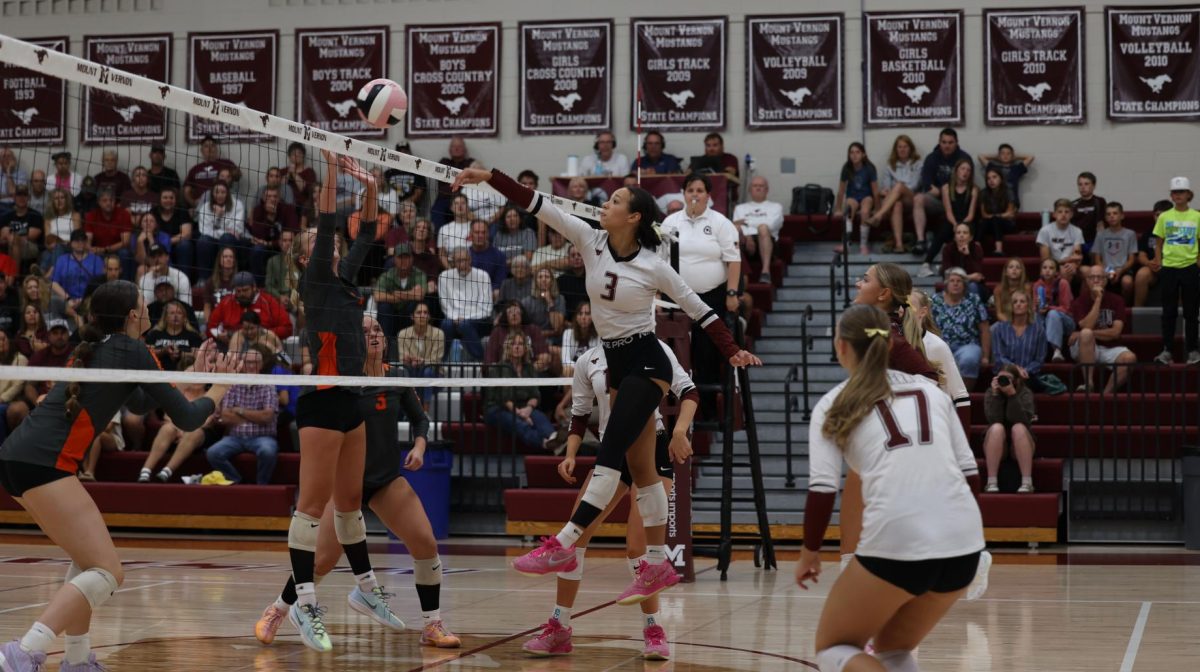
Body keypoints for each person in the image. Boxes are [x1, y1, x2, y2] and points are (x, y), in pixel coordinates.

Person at [451, 163, 757, 605]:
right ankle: (656, 564)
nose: (604, 205)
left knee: (610, 450)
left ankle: (564, 542)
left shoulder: (654, 266)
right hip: (615, 362)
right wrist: (490, 177)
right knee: (643, 471)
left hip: (648, 361)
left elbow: (700, 311)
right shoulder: (589, 240)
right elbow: (535, 203)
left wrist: (731, 350)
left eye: (614, 202)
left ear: (633, 217)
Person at [0, 281, 238, 672]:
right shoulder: (131, 349)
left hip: (20, 457)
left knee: (87, 561)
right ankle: (24, 652)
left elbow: (142, 401)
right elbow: (190, 418)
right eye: (145, 305)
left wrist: (190, 373)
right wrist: (222, 386)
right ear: (133, 315)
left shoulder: (108, 347)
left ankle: (76, 660)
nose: (149, 311)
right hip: (42, 461)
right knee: (109, 572)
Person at [795, 304, 983, 672]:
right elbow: (970, 475)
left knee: (834, 647)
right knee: (893, 649)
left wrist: (809, 553)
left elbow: (822, 490)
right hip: (965, 543)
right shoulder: (932, 393)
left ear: (842, 347)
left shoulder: (833, 404)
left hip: (899, 539)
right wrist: (965, 535)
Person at [255, 314, 460, 649]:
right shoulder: (342, 384)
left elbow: (420, 418)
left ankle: (432, 625)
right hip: (343, 483)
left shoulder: (397, 378)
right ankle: (277, 610)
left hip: (384, 480)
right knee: (321, 560)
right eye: (364, 332)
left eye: (377, 329)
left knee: (426, 544)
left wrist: (420, 446)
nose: (374, 335)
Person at [283, 151, 393, 653]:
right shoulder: (317, 281)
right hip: (324, 403)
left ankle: (367, 591)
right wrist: (331, 170)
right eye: (315, 244)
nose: (326, 243)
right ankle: (304, 605)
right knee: (311, 510)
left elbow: (367, 234)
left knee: (350, 508)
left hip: (352, 400)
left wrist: (369, 186)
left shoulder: (346, 279)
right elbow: (329, 221)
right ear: (305, 259)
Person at [527, 341, 697, 660]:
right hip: (612, 453)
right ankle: (559, 627)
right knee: (575, 539)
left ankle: (653, 630)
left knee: (637, 547)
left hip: (652, 449)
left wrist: (680, 431)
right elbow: (578, 416)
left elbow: (690, 392)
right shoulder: (587, 360)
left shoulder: (654, 348)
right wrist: (571, 454)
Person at [660, 173, 741, 419]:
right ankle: (672, 410)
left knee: (706, 352)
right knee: (675, 352)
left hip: (712, 297)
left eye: (700, 190)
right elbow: (658, 262)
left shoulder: (720, 222)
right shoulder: (670, 222)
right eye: (690, 190)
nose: (695, 194)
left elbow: (733, 260)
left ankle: (703, 412)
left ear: (708, 195)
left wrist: (732, 293)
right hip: (676, 297)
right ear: (683, 194)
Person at [205, 344, 279, 486]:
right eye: (247, 362)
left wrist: (239, 411)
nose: (251, 366)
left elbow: (267, 417)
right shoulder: (233, 384)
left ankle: (261, 486)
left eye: (255, 362)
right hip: (235, 437)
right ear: (242, 364)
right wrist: (256, 416)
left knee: (268, 451)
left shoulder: (268, 385)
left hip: (262, 436)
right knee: (213, 453)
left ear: (261, 364)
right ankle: (236, 481)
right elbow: (226, 416)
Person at [1151, 177, 1200, 365]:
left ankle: (1193, 350)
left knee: (1191, 311)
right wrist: (1159, 260)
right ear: (1171, 195)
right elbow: (1159, 241)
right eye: (1175, 192)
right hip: (1169, 268)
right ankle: (1167, 350)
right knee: (1169, 311)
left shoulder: (1197, 216)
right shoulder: (1164, 217)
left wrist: (1197, 262)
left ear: (1189, 194)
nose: (1178, 195)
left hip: (1189, 268)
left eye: (1182, 192)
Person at [138, 353, 208, 483]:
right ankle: (145, 471)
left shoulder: (209, 395)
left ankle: (166, 472)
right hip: (176, 432)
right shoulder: (179, 391)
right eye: (195, 376)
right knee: (167, 428)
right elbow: (168, 415)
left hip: (199, 436)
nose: (197, 380)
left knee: (195, 432)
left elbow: (207, 421)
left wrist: (186, 430)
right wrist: (181, 429)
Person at [483, 332, 558, 451]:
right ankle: (544, 443)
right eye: (513, 344)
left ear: (525, 348)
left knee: (539, 416)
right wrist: (520, 414)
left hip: (523, 406)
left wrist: (528, 409)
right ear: (508, 347)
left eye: (521, 344)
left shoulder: (529, 368)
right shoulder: (500, 368)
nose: (517, 347)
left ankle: (554, 438)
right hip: (498, 408)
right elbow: (503, 398)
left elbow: (535, 394)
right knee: (519, 424)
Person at [1070, 267, 1136, 393]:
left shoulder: (1117, 300)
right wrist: (1098, 300)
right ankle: (1088, 383)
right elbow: (1086, 326)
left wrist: (1087, 333)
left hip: (1110, 347)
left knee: (1130, 358)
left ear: (1106, 280)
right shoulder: (1079, 302)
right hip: (1086, 347)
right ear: (1086, 281)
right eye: (1091, 277)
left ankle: (1106, 394)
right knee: (1086, 334)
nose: (1096, 281)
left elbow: (1115, 333)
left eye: (1100, 277)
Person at [913, 128, 972, 257]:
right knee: (918, 198)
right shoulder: (932, 158)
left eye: (950, 142)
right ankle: (920, 241)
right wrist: (942, 192)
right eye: (944, 142)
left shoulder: (964, 158)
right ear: (939, 142)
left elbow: (967, 183)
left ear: (956, 143)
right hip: (938, 201)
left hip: (957, 201)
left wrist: (942, 191)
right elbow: (927, 183)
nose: (947, 145)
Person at [933, 267, 991, 390]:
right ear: (946, 284)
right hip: (941, 345)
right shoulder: (935, 300)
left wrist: (986, 356)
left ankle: (962, 397)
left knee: (970, 358)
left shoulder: (973, 300)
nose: (955, 283)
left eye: (959, 281)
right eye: (952, 280)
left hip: (968, 345)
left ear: (965, 285)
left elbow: (985, 328)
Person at [983, 363, 1037, 494]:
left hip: (1020, 442)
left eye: (1008, 378)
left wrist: (1012, 396)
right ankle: (991, 482)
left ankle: (1027, 482)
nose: (1004, 382)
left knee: (1018, 427)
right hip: (997, 443)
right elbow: (993, 419)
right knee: (997, 428)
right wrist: (996, 396)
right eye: (1001, 378)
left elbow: (1023, 420)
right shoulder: (992, 392)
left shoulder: (1025, 393)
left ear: (1017, 380)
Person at [920, 159, 978, 278]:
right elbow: (948, 211)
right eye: (963, 169)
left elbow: (971, 214)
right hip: (951, 220)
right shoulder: (946, 188)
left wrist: (962, 226)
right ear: (956, 171)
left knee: (964, 233)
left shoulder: (973, 189)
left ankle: (952, 265)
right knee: (944, 231)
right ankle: (926, 263)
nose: (965, 172)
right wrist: (955, 224)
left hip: (967, 221)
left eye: (968, 170)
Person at [438, 247, 493, 361]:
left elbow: (486, 308)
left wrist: (464, 319)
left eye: (465, 260)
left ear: (470, 260)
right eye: (459, 261)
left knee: (464, 325)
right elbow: (445, 305)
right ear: (453, 262)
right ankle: (441, 363)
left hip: (479, 320)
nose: (462, 264)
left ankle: (482, 362)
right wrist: (455, 318)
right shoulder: (444, 277)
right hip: (453, 319)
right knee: (446, 324)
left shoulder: (483, 276)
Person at [206, 271, 291, 344]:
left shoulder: (268, 301)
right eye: (238, 291)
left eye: (245, 290)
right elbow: (211, 327)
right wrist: (219, 335)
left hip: (262, 345)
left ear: (254, 287)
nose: (242, 294)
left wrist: (263, 333)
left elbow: (287, 328)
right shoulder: (226, 302)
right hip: (230, 345)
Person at [870, 135, 922, 254]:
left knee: (899, 186)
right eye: (899, 147)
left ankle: (878, 215)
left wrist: (898, 189)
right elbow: (885, 188)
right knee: (897, 204)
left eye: (905, 147)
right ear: (896, 149)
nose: (902, 149)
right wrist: (889, 191)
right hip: (894, 201)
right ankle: (899, 244)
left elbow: (914, 185)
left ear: (910, 149)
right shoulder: (890, 166)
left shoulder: (918, 164)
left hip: (911, 200)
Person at [374, 243, 426, 349]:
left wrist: (397, 293)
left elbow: (420, 295)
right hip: (391, 318)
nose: (403, 260)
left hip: (409, 317)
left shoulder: (419, 274)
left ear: (412, 259)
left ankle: (411, 349)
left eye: (406, 257)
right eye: (400, 257)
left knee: (415, 305)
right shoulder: (387, 275)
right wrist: (409, 294)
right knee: (384, 306)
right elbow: (377, 296)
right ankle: (384, 351)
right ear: (394, 259)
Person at [733, 176, 784, 283]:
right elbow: (736, 226)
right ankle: (734, 275)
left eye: (761, 186)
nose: (758, 188)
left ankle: (765, 272)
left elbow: (771, 225)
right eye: (755, 186)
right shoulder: (740, 208)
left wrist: (746, 221)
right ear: (750, 189)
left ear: (767, 189)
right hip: (745, 241)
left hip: (768, 242)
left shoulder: (776, 207)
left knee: (763, 228)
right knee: (735, 228)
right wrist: (748, 237)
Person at [990, 289, 1046, 386]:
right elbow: (999, 357)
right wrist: (1015, 369)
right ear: (1011, 306)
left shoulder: (1038, 330)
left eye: (1022, 301)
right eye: (1015, 302)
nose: (1018, 304)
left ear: (1028, 305)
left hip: (1028, 375)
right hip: (1005, 374)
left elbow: (1039, 360)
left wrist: (1025, 371)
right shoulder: (999, 328)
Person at [248, 185, 299, 284]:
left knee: (290, 245)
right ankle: (259, 285)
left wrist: (271, 243)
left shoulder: (288, 209)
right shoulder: (258, 210)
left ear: (279, 198)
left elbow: (292, 233)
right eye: (268, 196)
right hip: (265, 246)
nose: (272, 199)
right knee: (257, 250)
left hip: (283, 245)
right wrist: (269, 219)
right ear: (263, 198)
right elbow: (257, 234)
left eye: (275, 196)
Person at [195, 180, 247, 275]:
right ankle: (204, 278)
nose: (220, 195)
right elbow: (204, 231)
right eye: (217, 192)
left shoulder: (238, 205)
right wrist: (218, 216)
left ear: (228, 193)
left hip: (232, 240)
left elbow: (237, 230)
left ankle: (228, 277)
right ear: (212, 194)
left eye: (223, 192)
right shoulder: (205, 208)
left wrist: (218, 230)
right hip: (212, 239)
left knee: (226, 238)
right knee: (203, 240)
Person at [835, 142, 878, 256]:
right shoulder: (846, 168)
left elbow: (875, 191)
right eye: (852, 152)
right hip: (852, 197)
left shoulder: (869, 168)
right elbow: (841, 191)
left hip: (866, 197)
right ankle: (846, 244)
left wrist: (877, 209)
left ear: (863, 154)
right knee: (848, 209)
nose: (854, 155)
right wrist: (838, 208)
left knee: (865, 211)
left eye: (858, 152)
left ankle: (863, 245)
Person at [486, 300, 552, 372]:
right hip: (504, 375)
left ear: (522, 314)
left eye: (517, 311)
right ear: (505, 315)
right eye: (510, 312)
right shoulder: (497, 332)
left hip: (531, 375)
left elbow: (545, 357)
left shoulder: (533, 330)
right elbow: (490, 362)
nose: (514, 314)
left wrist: (528, 372)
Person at [397, 302, 443, 403]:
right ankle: (410, 411)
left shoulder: (438, 334)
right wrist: (408, 360)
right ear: (412, 316)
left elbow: (435, 360)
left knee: (427, 371)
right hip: (412, 372)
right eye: (419, 312)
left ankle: (424, 412)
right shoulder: (403, 334)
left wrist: (421, 361)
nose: (422, 315)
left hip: (434, 378)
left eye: (425, 312)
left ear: (429, 316)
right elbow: (402, 358)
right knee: (405, 372)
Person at [1092, 202, 1138, 305]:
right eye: (1108, 214)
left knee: (1127, 282)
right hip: (1105, 269)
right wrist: (1109, 271)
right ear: (1105, 218)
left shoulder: (1130, 234)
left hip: (1124, 269)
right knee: (1093, 281)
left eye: (1115, 213)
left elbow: (1131, 259)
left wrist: (1120, 271)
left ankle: (1124, 306)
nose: (1111, 216)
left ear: (1122, 216)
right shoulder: (1101, 234)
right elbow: (1097, 259)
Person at [1032, 257, 1075, 362]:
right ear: (1041, 271)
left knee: (1052, 314)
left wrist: (1048, 308)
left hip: (1066, 321)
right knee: (1035, 316)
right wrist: (1038, 308)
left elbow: (1066, 308)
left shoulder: (1063, 283)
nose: (1047, 270)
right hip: (1046, 318)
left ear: (1056, 272)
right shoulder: (1037, 285)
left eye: (1051, 268)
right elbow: (1034, 307)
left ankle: (1057, 350)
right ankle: (1037, 352)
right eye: (1045, 268)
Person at [144, 297, 203, 370]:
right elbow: (146, 354)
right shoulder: (154, 334)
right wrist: (164, 351)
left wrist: (181, 353)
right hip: (158, 373)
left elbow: (199, 355)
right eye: (172, 313)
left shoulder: (193, 335)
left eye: (179, 313)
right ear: (165, 317)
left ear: (184, 317)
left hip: (186, 374)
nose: (176, 316)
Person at [1036, 199, 1085, 286]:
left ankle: (1084, 299)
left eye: (1067, 212)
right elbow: (1046, 260)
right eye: (1060, 212)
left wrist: (1074, 265)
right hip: (1053, 266)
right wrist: (1065, 261)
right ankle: (1064, 299)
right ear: (1054, 214)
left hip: (1071, 264)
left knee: (1089, 272)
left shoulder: (1077, 231)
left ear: (1071, 215)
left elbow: (1077, 255)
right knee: (1065, 271)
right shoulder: (1045, 231)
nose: (1063, 215)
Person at [1135, 199, 1173, 308]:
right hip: (1153, 268)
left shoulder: (1178, 232)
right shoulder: (1148, 233)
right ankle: (1138, 312)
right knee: (1142, 274)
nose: (1160, 218)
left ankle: (1180, 314)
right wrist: (1149, 263)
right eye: (1157, 215)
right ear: (1153, 216)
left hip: (1172, 267)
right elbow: (1141, 255)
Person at [184, 135, 240, 207]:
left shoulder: (226, 163)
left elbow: (238, 176)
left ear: (216, 148)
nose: (210, 149)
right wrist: (193, 203)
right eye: (206, 146)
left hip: (224, 202)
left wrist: (229, 175)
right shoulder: (195, 169)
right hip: (203, 205)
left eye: (212, 146)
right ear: (201, 150)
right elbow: (186, 191)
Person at [431, 136, 474, 227]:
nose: (457, 148)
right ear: (450, 150)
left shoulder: (470, 163)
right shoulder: (444, 162)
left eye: (460, 146)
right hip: (444, 200)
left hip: (464, 200)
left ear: (465, 150)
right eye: (454, 146)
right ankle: (439, 238)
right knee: (436, 211)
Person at [51, 230, 104, 303]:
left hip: (90, 301)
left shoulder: (96, 260)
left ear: (86, 242)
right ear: (71, 243)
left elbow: (100, 283)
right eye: (77, 240)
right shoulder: (62, 260)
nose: (80, 243)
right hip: (66, 301)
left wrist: (85, 300)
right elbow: (54, 283)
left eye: (83, 241)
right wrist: (68, 299)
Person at [937, 223, 986, 301]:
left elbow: (978, 275)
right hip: (953, 282)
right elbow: (948, 273)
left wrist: (967, 255)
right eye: (958, 233)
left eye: (965, 233)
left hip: (974, 285)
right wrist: (967, 277)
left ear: (970, 237)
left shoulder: (977, 249)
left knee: (972, 286)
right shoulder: (948, 249)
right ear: (955, 237)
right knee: (950, 287)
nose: (961, 235)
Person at [978, 143, 1034, 210]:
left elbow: (1031, 157)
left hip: (1012, 202)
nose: (1005, 156)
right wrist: (996, 158)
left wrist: (1015, 157)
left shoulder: (1016, 168)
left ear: (1012, 155)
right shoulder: (993, 167)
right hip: (995, 203)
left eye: (1008, 153)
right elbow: (980, 156)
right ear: (999, 155)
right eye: (1002, 153)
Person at [1, 184, 44, 271]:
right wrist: (13, 235)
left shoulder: (35, 215)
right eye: (19, 195)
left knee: (13, 239)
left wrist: (10, 233)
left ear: (29, 197)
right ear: (14, 197)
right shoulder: (6, 216)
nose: (21, 198)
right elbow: (2, 235)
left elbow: (32, 235)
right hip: (7, 244)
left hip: (30, 246)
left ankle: (13, 276)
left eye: (24, 195)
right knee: (11, 240)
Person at [978, 166, 1016, 256]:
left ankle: (999, 249)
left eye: (994, 177)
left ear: (1001, 178)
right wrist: (995, 216)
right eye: (988, 178)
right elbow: (984, 214)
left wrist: (996, 216)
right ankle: (977, 247)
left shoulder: (1008, 191)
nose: (991, 180)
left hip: (1007, 224)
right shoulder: (984, 193)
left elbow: (1010, 214)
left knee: (996, 220)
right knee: (981, 223)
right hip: (989, 222)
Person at [521, 268, 565, 344]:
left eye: (547, 277)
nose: (543, 280)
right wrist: (550, 332)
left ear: (552, 281)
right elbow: (524, 328)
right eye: (540, 277)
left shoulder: (560, 299)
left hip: (554, 340)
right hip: (532, 339)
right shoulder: (527, 301)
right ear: (535, 281)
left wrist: (550, 302)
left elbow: (557, 327)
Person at [0, 329, 31, 434]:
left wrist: (1, 399)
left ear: (10, 341)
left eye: (2, 339)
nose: (0, 343)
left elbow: (18, 385)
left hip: (11, 401)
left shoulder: (20, 359)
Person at [469, 219, 507, 298]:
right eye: (477, 232)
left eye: (483, 232)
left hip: (489, 294)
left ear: (488, 234)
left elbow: (499, 282)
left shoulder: (499, 255)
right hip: (467, 292)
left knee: (497, 292)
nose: (480, 235)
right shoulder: (465, 255)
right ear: (470, 234)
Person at [383, 142, 427, 210]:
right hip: (390, 207)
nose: (402, 154)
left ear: (410, 154)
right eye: (400, 152)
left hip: (410, 208)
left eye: (405, 151)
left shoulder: (417, 173)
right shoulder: (388, 173)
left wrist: (402, 205)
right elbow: (382, 191)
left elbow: (418, 194)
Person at [559, 300, 598, 377]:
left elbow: (597, 361)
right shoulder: (568, 333)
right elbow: (565, 361)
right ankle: (569, 390)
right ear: (576, 317)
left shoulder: (598, 335)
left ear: (593, 316)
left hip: (591, 371)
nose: (583, 317)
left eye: (587, 314)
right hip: (574, 371)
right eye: (580, 314)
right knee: (567, 369)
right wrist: (581, 368)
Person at [1072, 171, 1107, 250]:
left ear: (1093, 186)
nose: (1083, 187)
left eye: (1086, 184)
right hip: (1078, 242)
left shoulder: (1099, 201)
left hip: (1094, 241)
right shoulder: (1073, 204)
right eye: (1080, 184)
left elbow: (1101, 225)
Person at [992, 257, 1031, 323]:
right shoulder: (998, 289)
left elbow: (1029, 310)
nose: (1014, 269)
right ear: (1006, 272)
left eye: (1017, 267)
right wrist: (1010, 323)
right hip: (1005, 321)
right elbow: (999, 313)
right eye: (1011, 267)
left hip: (1023, 321)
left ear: (1022, 272)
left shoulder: (1026, 288)